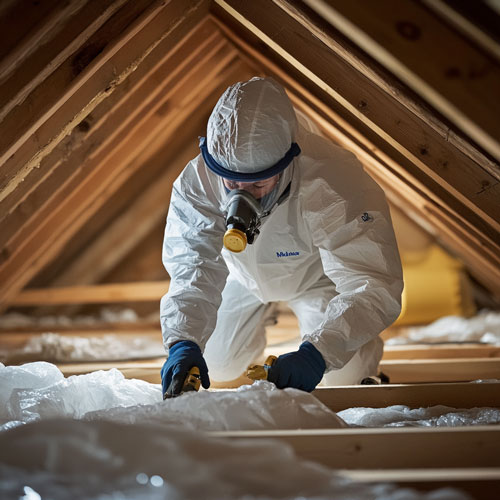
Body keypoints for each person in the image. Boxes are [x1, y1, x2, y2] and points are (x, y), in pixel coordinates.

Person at [160, 77, 403, 398]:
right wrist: (182, 340)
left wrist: (318, 352)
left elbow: (370, 281)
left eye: (258, 184)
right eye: (231, 183)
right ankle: (261, 319)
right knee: (218, 365)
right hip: (244, 277)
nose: (242, 195)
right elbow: (193, 264)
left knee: (345, 378)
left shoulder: (333, 180)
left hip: (318, 281)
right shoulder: (199, 181)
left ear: (288, 161)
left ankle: (360, 364)